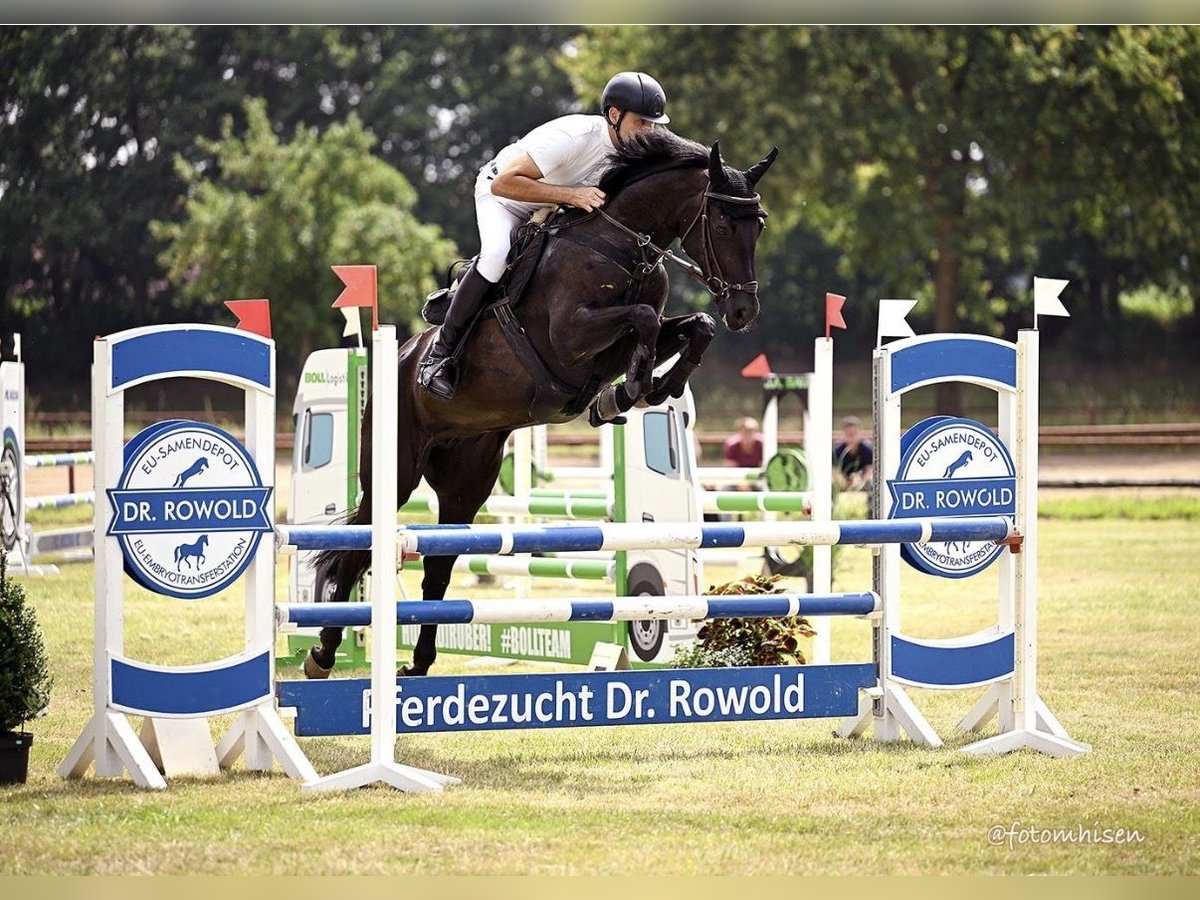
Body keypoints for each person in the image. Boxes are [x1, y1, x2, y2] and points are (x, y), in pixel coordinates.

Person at [417, 71, 671, 401]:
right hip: (505, 198)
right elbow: (503, 184)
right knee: (496, 257)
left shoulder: (632, 146)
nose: (647, 132)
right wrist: (570, 195)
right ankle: (440, 355)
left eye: (653, 125)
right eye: (642, 123)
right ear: (614, 115)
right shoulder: (574, 136)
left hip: (552, 207)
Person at [833, 415, 874, 490]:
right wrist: (844, 483)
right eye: (849, 434)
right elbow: (834, 471)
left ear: (860, 433)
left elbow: (869, 470)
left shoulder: (867, 451)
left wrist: (861, 481)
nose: (852, 437)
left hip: (862, 483)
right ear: (844, 434)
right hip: (842, 484)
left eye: (854, 433)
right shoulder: (837, 452)